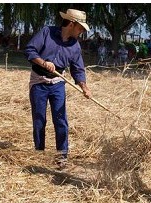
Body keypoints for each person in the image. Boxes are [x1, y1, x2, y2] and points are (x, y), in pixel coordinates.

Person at [24, 8, 92, 169]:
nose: (82, 32)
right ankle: (39, 153)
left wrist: (84, 86)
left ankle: (62, 156)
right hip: (38, 82)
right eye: (80, 28)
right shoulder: (47, 32)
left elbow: (78, 69)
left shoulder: (75, 46)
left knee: (61, 119)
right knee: (39, 119)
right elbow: (29, 51)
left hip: (57, 83)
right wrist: (43, 62)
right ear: (71, 24)